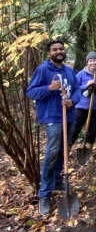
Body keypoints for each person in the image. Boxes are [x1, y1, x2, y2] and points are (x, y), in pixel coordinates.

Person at [26, 39, 81, 216]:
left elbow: (78, 90)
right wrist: (49, 88)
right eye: (55, 49)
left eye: (61, 49)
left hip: (69, 116)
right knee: (52, 152)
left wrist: (73, 100)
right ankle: (45, 193)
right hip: (52, 117)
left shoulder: (69, 70)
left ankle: (57, 179)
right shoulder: (43, 70)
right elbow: (30, 92)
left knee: (64, 150)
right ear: (49, 53)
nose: (59, 51)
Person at [69, 52, 96, 159]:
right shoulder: (81, 74)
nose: (92, 63)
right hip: (81, 106)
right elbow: (75, 88)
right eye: (90, 61)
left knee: (92, 129)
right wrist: (87, 85)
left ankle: (88, 152)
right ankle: (68, 149)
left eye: (94, 60)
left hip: (95, 107)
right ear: (87, 62)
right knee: (75, 128)